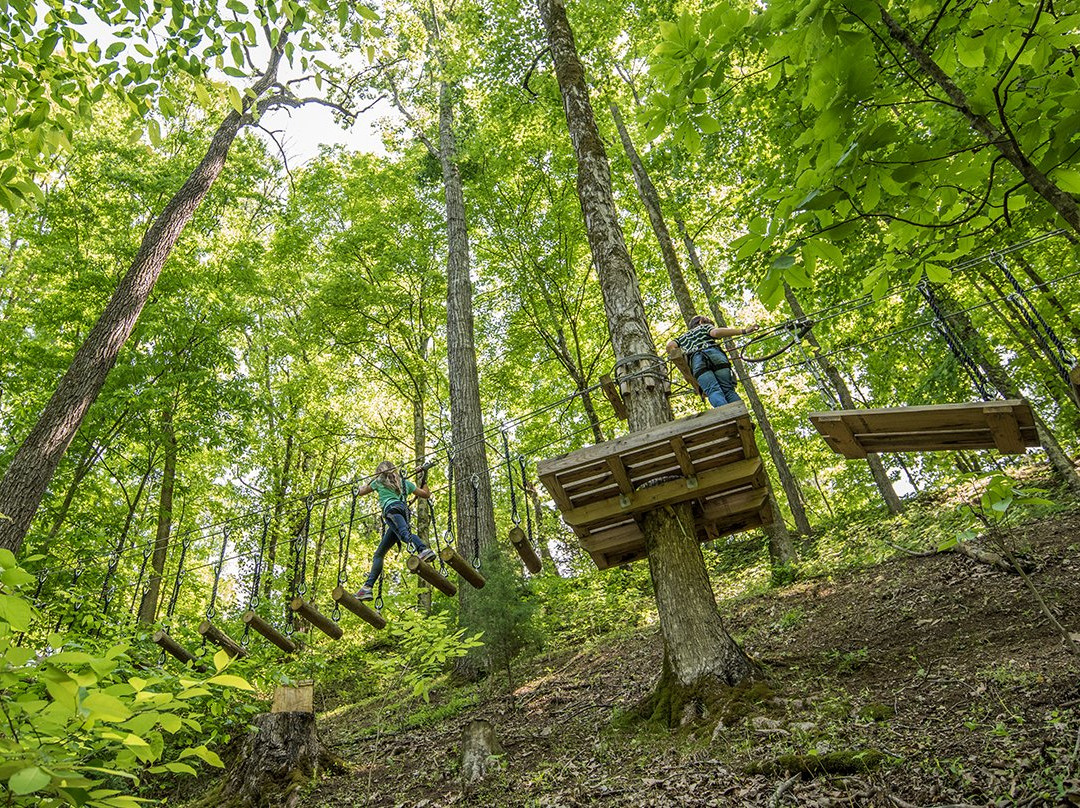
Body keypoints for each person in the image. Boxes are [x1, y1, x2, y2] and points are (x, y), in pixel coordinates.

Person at [353, 461, 436, 601]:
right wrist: (424, 477)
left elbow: (360, 492)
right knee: (379, 553)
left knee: (405, 534)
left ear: (379, 472)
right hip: (401, 512)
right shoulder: (405, 483)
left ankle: (423, 549)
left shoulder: (379, 482)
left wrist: (368, 481)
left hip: (391, 511)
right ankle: (367, 588)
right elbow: (425, 494)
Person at [666, 315, 759, 407]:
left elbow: (670, 346)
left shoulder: (682, 337)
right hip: (715, 356)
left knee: (713, 391)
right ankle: (741, 416)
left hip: (697, 362)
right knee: (728, 390)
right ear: (701, 321)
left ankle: (727, 417)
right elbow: (715, 333)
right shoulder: (704, 327)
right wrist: (743, 331)